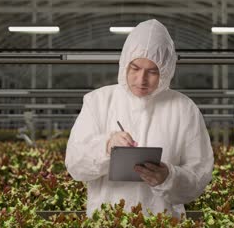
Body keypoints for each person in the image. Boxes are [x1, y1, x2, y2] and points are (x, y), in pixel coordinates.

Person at [65, 19, 214, 218]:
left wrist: (168, 177)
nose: (141, 79)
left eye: (152, 71)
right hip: (108, 220)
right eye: (135, 68)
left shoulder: (184, 109)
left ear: (166, 69)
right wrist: (106, 146)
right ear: (125, 63)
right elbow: (75, 165)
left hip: (162, 221)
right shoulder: (98, 102)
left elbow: (199, 175)